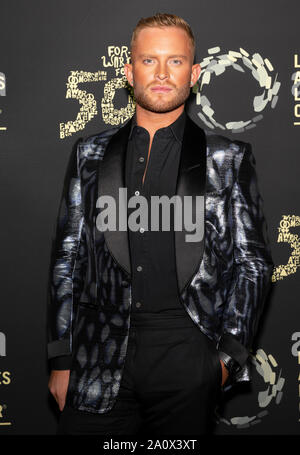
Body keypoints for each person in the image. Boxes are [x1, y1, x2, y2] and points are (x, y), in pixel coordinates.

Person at [47, 12, 274, 435]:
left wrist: (224, 362)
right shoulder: (89, 154)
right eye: (150, 61)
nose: (163, 74)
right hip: (98, 354)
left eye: (176, 61)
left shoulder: (226, 158)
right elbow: (67, 259)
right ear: (129, 71)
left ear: (195, 73)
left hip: (186, 355)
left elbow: (254, 264)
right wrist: (61, 359)